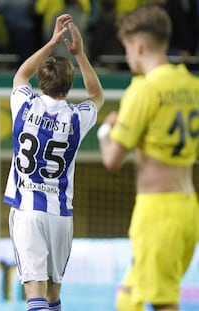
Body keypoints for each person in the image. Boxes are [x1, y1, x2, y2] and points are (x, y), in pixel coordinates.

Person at [97, 5, 199, 311]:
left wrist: (106, 132)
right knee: (128, 298)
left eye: (127, 47)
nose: (128, 56)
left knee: (163, 303)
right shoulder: (191, 84)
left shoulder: (143, 90)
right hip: (187, 207)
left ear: (138, 45)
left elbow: (112, 160)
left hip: (157, 212)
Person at [3, 14, 104, 311]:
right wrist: (80, 54)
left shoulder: (23, 104)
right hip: (60, 215)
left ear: (42, 82)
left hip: (27, 211)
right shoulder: (76, 117)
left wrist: (51, 43)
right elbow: (97, 95)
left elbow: (21, 75)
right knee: (53, 294)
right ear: (69, 86)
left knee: (34, 292)